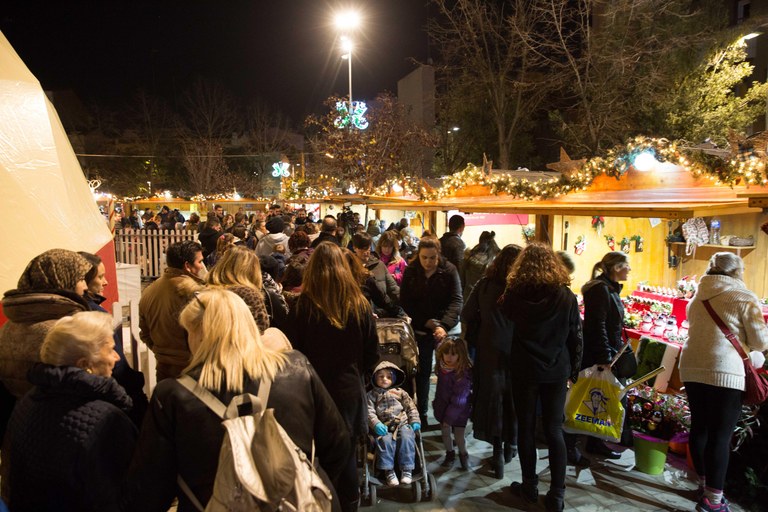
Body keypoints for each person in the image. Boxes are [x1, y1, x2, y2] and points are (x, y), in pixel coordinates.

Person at [126, 288, 350, 511]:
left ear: (197, 334)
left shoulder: (173, 396)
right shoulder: (296, 369)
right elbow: (337, 444)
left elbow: (149, 489)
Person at [6, 311, 136, 511]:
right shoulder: (106, 418)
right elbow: (121, 497)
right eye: (110, 349)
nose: (117, 357)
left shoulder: (29, 399)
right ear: (85, 365)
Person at [284, 242, 378, 512]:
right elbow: (372, 355)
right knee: (347, 460)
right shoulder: (360, 306)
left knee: (315, 460)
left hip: (313, 393)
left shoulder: (302, 307)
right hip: (349, 391)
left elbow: (293, 353)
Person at [679, 253, 768, 512]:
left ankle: (703, 484)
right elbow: (761, 342)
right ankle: (713, 500)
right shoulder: (744, 297)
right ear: (737, 271)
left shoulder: (696, 297)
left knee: (700, 428)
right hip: (725, 371)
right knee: (720, 435)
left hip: (691, 367)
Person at [501, 242, 582, 512]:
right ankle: (557, 494)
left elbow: (504, 321)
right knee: (554, 429)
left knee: (525, 428)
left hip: (524, 368)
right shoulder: (566, 296)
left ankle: (529, 486)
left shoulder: (513, 295)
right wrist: (574, 371)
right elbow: (576, 336)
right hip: (556, 369)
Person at [461, 244, 522, 479]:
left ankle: (497, 451)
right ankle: (511, 444)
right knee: (512, 398)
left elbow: (467, 314)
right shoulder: (523, 289)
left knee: (492, 399)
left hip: (488, 349)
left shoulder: (485, 284)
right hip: (516, 350)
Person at [0, 249, 91, 399]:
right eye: (80, 279)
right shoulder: (65, 330)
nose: (85, 286)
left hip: (21, 410)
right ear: (60, 277)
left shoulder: (7, 327)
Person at [78, 251, 147, 425]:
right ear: (84, 280)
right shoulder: (92, 313)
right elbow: (117, 366)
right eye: (100, 277)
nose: (106, 282)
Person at [399, 238, 463, 425]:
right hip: (421, 329)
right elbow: (405, 302)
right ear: (418, 255)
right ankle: (422, 413)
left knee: (449, 372)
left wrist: (444, 325)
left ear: (439, 255)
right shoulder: (411, 271)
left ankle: (449, 414)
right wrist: (423, 322)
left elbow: (456, 300)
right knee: (423, 372)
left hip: (444, 329)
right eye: (424, 257)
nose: (428, 262)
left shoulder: (449, 270)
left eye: (432, 258)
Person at [580, 251, 633, 459]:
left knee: (606, 397)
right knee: (601, 397)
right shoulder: (601, 290)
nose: (629, 270)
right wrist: (605, 358)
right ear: (617, 268)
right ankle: (592, 442)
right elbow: (598, 325)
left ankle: (597, 440)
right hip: (603, 354)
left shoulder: (608, 288)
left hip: (609, 350)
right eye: (627, 265)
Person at [138, 240, 205, 381]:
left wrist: (161, 353)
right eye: (199, 262)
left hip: (163, 369)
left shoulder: (149, 290)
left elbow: (145, 333)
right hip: (191, 371)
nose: (201, 266)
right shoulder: (192, 292)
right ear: (187, 266)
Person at [366, 361, 421, 487]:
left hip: (402, 423)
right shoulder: (371, 395)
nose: (385, 379)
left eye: (389, 377)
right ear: (375, 378)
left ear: (394, 379)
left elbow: (411, 408)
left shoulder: (401, 392)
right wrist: (375, 424)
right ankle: (388, 471)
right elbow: (369, 412)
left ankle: (407, 469)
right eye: (381, 376)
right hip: (383, 426)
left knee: (407, 437)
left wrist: (415, 420)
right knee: (385, 441)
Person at [433, 337, 473, 470]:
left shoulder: (462, 374)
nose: (449, 357)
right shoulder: (442, 367)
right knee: (445, 434)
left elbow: (459, 400)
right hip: (443, 408)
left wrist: (449, 418)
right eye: (446, 353)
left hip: (459, 413)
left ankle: (463, 455)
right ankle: (450, 454)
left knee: (459, 436)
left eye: (453, 354)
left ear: (460, 355)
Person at [351, 232, 400, 308]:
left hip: (381, 310)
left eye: (367, 248)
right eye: (361, 249)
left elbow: (393, 288)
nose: (365, 252)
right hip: (359, 310)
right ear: (354, 248)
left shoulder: (379, 265)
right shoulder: (349, 266)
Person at [460, 230, 500, 301]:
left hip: (467, 295)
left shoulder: (468, 256)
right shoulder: (493, 260)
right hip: (484, 297)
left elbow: (462, 279)